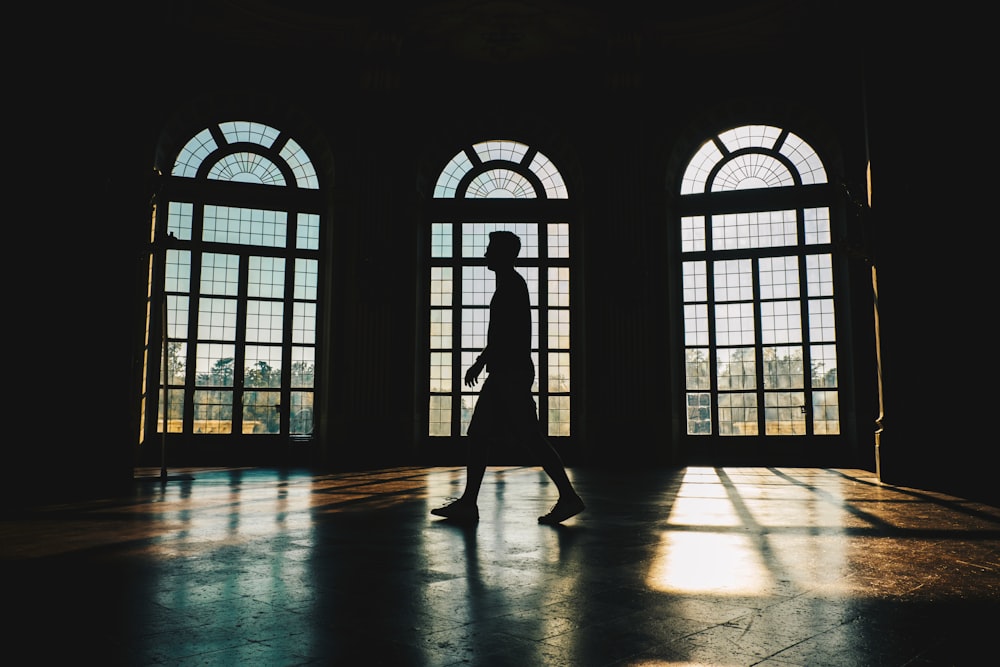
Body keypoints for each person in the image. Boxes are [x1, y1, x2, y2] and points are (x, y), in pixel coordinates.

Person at [431, 231, 585, 525]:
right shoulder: (512, 285)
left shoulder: (511, 286)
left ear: (503, 254)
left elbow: (504, 334)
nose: (486, 254)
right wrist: (483, 363)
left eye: (490, 249)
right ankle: (471, 502)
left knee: (509, 436)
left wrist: (480, 363)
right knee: (507, 436)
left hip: (508, 373)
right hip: (509, 371)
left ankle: (565, 496)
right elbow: (505, 334)